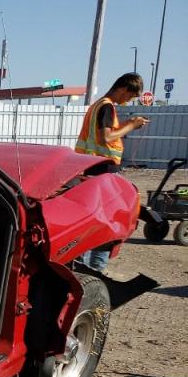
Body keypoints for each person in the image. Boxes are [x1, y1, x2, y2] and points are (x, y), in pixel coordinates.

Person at [75, 72, 149, 272]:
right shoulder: (107, 106)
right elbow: (107, 138)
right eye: (130, 96)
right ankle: (95, 271)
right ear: (124, 89)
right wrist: (131, 126)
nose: (128, 101)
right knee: (105, 223)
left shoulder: (98, 105)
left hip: (89, 168)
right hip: (102, 171)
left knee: (87, 222)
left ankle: (79, 267)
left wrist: (125, 124)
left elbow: (102, 136)